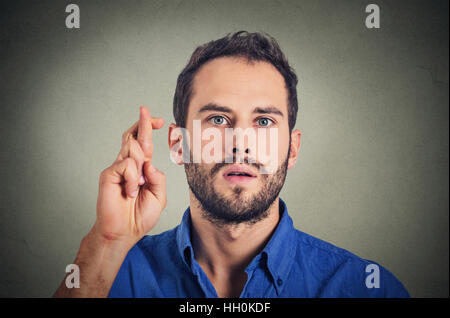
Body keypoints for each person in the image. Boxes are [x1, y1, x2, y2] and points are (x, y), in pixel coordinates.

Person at [53, 31, 409, 298]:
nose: (241, 142)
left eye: (264, 122)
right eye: (219, 120)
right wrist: (107, 241)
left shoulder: (365, 288)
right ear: (178, 144)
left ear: (293, 149)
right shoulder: (109, 276)